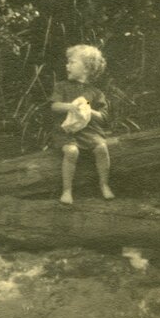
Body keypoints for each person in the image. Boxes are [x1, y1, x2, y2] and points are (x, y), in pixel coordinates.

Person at [49, 44, 114, 203]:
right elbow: (54, 106)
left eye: (72, 62)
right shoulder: (61, 87)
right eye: (67, 62)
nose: (67, 65)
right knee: (71, 151)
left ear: (86, 69)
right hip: (67, 132)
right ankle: (67, 191)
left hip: (89, 132)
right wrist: (70, 106)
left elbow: (104, 117)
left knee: (101, 147)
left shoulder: (96, 93)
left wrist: (89, 110)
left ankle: (104, 184)